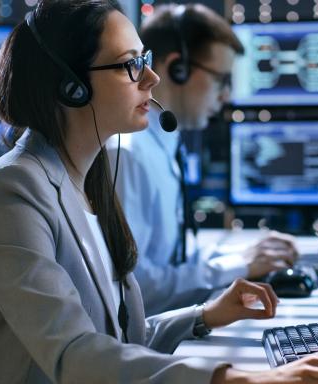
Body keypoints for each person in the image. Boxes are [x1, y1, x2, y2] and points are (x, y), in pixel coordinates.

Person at [0, 1, 318, 383]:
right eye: (130, 64)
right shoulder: (12, 190)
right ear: (73, 86)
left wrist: (203, 317)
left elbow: (119, 337)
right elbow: (74, 355)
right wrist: (240, 379)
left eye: (144, 58)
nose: (152, 76)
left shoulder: (90, 176)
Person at [107, 3, 300, 316]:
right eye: (221, 80)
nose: (226, 97)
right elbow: (135, 289)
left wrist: (246, 255)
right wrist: (241, 264)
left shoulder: (164, 145)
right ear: (177, 69)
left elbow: (173, 257)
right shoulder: (127, 156)